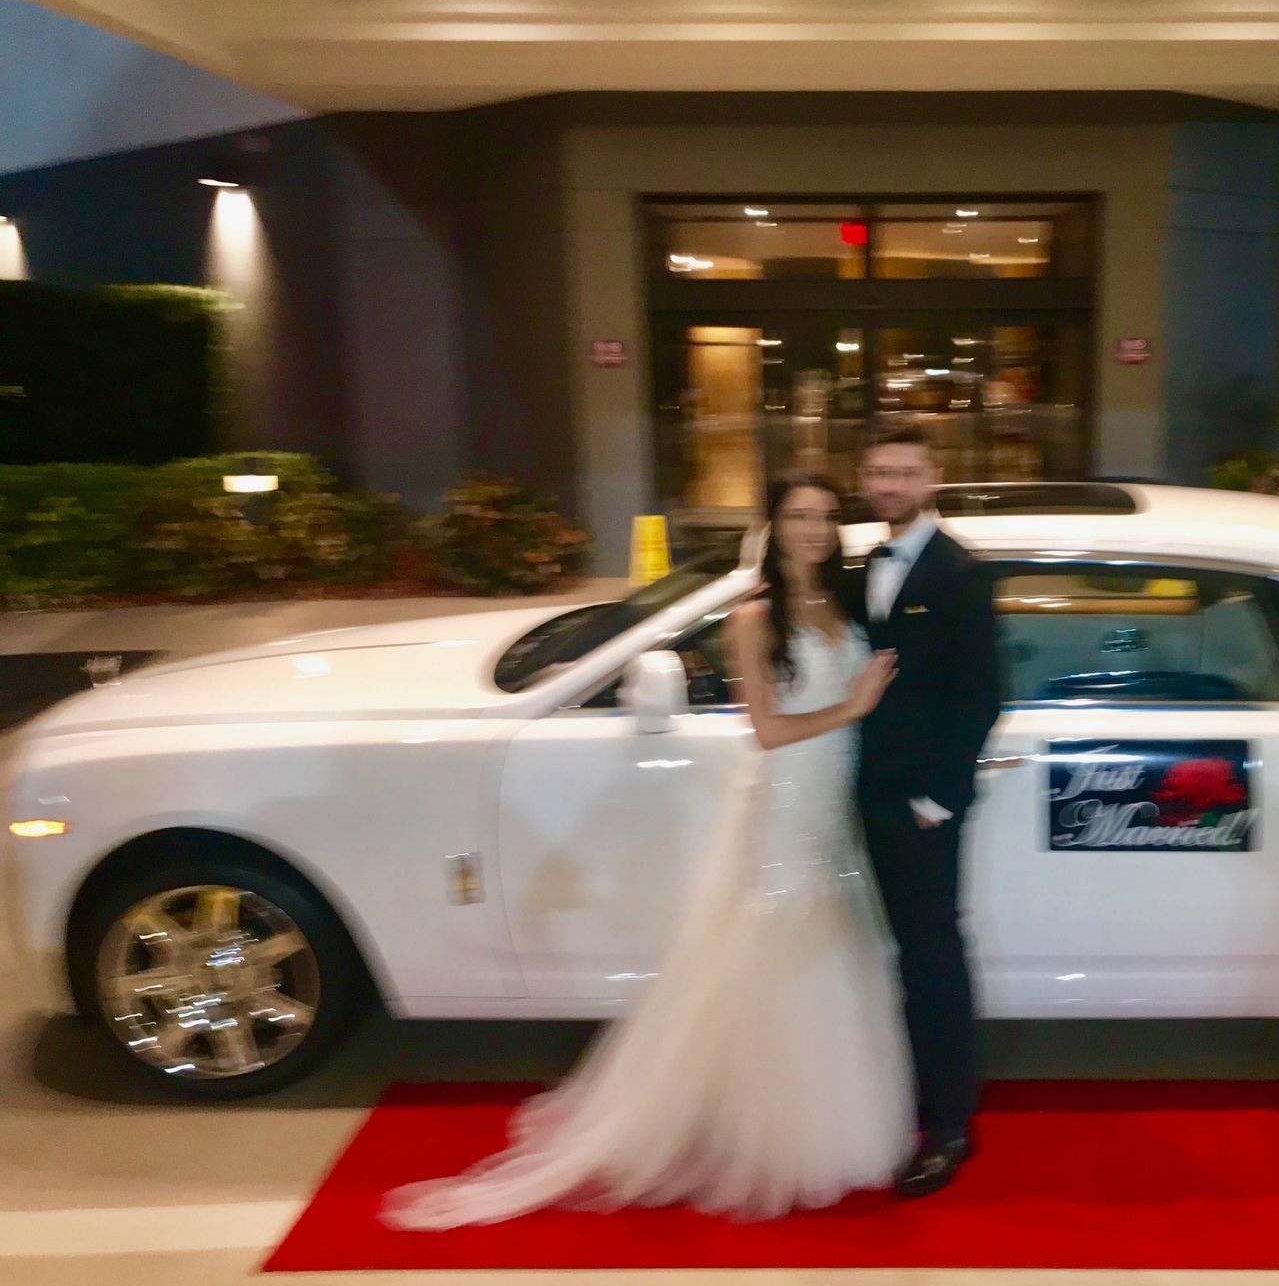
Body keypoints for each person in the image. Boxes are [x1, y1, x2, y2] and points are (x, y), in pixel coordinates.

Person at [380, 473, 914, 1228]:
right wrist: (852, 706)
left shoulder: (842, 602)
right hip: (789, 803)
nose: (815, 530)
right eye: (799, 516)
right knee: (778, 961)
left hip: (836, 804)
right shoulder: (751, 615)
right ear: (773, 526)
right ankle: (773, 1133)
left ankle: (826, 1113)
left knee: (833, 960)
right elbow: (764, 730)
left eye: (826, 517)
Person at [852, 423, 1005, 1198]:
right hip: (860, 792)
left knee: (932, 957)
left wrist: (938, 799)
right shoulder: (863, 564)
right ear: (865, 476)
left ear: (933, 477)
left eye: (907, 472)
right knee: (898, 955)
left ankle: (950, 1124)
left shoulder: (956, 571)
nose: (892, 485)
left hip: (916, 805)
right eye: (881, 471)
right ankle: (907, 1091)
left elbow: (983, 696)